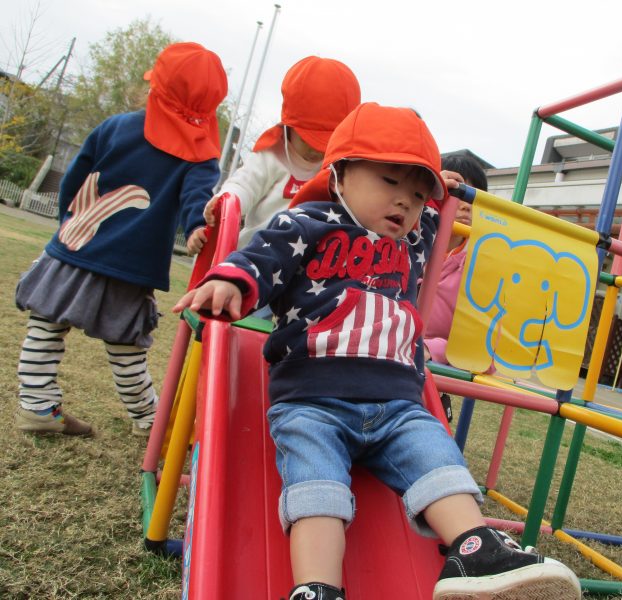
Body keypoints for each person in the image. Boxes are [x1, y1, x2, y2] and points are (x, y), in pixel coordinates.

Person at [173, 102, 581, 600]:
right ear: (340, 173)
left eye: (414, 194)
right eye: (389, 182)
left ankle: (478, 550)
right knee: (315, 484)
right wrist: (231, 283)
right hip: (312, 399)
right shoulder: (307, 223)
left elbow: (443, 212)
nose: (404, 203)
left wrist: (443, 191)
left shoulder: (412, 240)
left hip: (399, 404)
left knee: (438, 460)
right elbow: (261, 257)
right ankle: (317, 588)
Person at [14, 42, 228, 437]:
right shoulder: (200, 154)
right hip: (131, 265)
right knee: (127, 350)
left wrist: (68, 226)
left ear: (156, 89)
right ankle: (148, 421)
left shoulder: (116, 127)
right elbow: (199, 201)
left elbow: (74, 182)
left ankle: (36, 403)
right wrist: (199, 227)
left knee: (45, 327)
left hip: (77, 244)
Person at [200, 55, 361, 251]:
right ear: (288, 127)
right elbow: (244, 184)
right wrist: (226, 200)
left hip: (306, 266)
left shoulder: (338, 170)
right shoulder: (272, 157)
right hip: (256, 256)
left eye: (325, 143)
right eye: (306, 139)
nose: (315, 149)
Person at [423, 153, 488, 365]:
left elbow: (483, 347)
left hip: (428, 369)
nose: (466, 205)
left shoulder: (480, 267)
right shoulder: (405, 241)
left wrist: (431, 349)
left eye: (473, 198)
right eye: (456, 194)